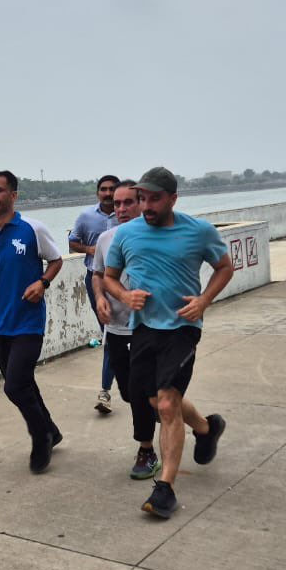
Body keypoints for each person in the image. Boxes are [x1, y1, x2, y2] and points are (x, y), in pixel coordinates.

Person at [103, 167, 233, 519]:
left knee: (166, 405)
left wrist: (204, 300)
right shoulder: (126, 234)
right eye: (142, 198)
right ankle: (207, 428)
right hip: (144, 329)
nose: (146, 205)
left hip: (182, 328)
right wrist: (125, 296)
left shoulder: (198, 231)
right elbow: (109, 278)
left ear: (173, 198)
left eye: (154, 198)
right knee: (150, 399)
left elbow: (224, 267)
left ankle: (165, 489)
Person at [0, 170, 65, 473]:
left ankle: (40, 437)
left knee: (14, 387)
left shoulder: (32, 229)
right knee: (25, 383)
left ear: (13, 195)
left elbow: (56, 260)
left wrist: (42, 283)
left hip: (28, 322)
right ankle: (52, 430)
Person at [91, 180, 161, 479]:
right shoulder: (106, 238)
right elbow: (98, 275)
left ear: (142, 202)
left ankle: (146, 451)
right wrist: (99, 299)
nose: (120, 209)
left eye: (128, 202)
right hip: (117, 328)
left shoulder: (158, 236)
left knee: (143, 390)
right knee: (133, 394)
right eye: (116, 204)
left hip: (151, 327)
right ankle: (201, 425)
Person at [69, 175, 120, 410]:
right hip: (96, 280)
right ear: (97, 192)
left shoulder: (130, 216)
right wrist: (91, 249)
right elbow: (72, 242)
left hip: (128, 282)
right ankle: (105, 392)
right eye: (103, 189)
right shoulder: (86, 217)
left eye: (112, 189)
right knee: (109, 334)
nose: (108, 193)